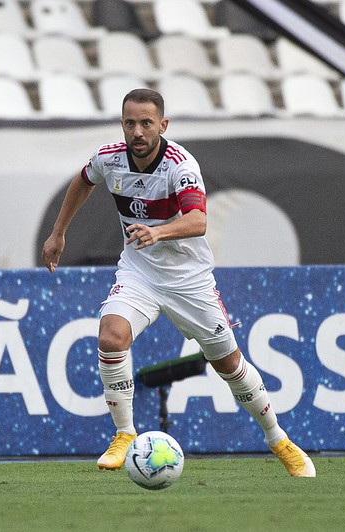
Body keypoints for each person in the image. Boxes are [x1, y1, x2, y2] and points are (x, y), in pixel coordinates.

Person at [41, 88, 316, 478]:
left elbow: (198, 221)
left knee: (230, 364)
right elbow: (83, 181)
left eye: (146, 123)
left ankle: (278, 439)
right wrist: (58, 233)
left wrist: (160, 233)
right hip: (140, 273)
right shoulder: (109, 158)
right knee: (110, 337)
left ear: (163, 125)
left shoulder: (180, 164)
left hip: (190, 280)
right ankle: (123, 434)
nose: (137, 131)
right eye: (130, 122)